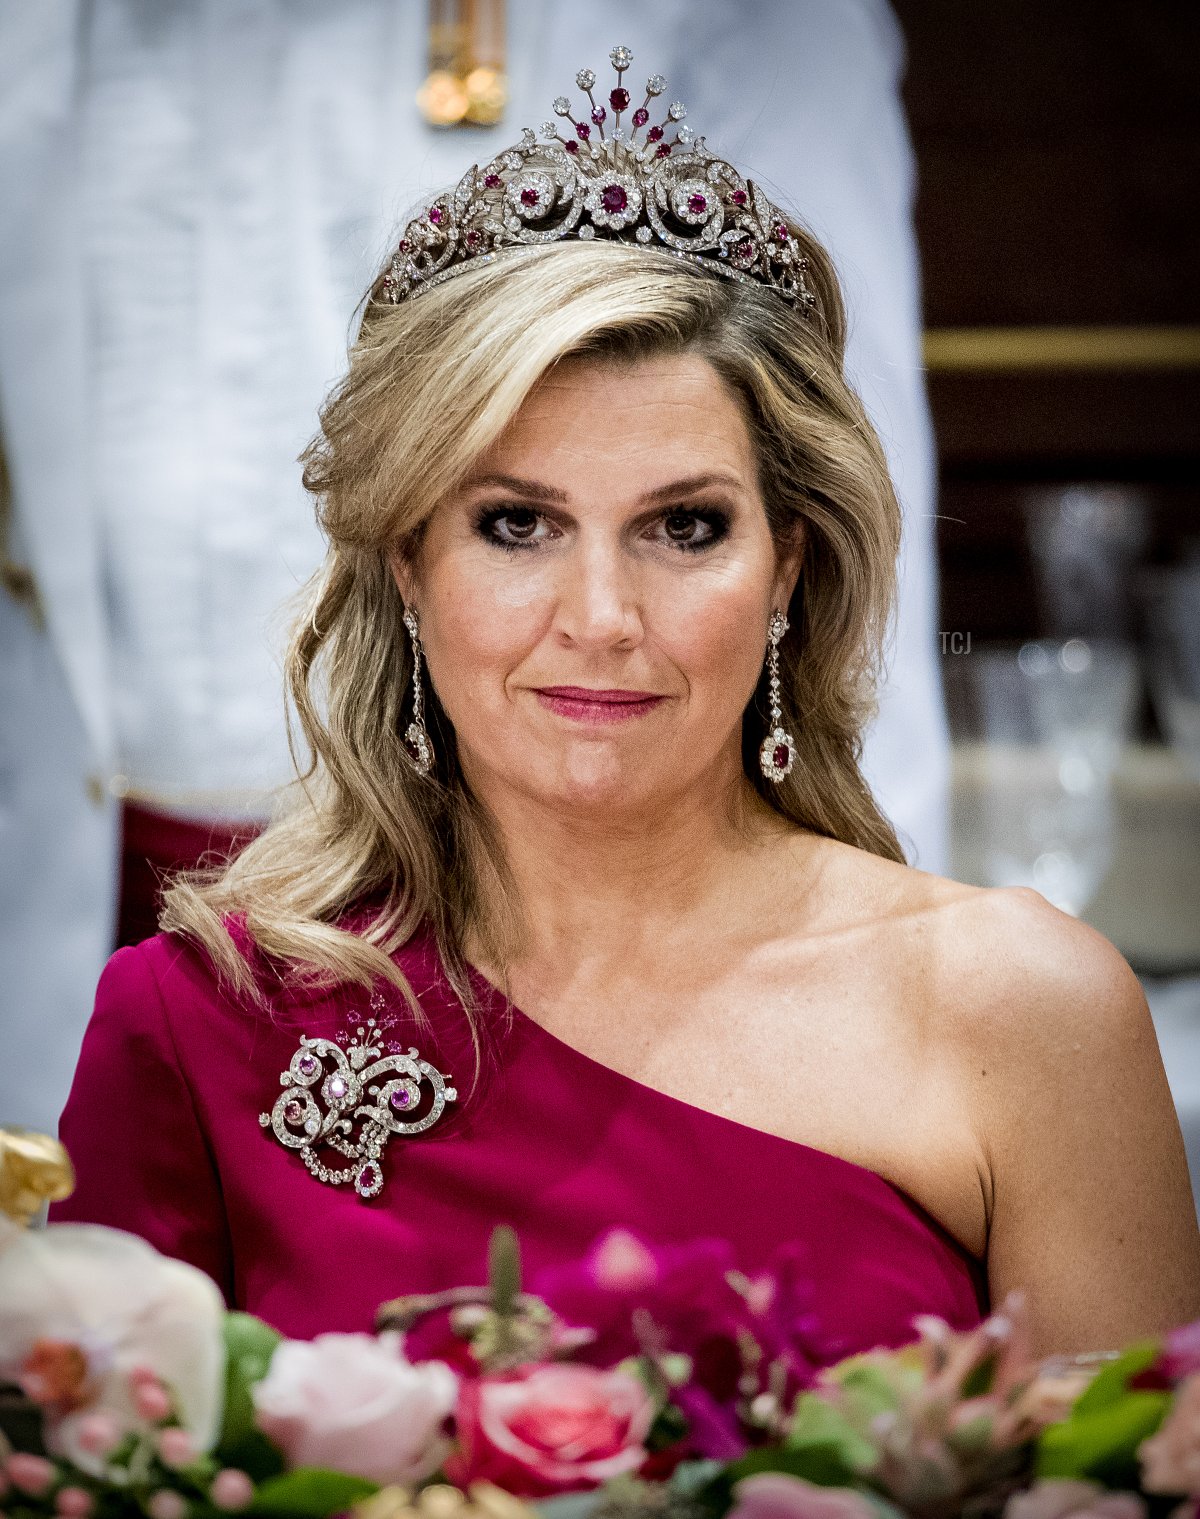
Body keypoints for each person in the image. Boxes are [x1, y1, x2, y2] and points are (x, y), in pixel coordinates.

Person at [51, 52, 1200, 1361]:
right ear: (408, 566)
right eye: (518, 523)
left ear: (790, 568)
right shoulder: (196, 1022)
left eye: (685, 525)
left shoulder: (1026, 1012)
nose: (600, 613)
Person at [1, 0, 947, 1136]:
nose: (599, 610)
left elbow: (814, 472)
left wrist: (872, 1010)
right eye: (515, 527)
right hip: (75, 915)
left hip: (568, 908)